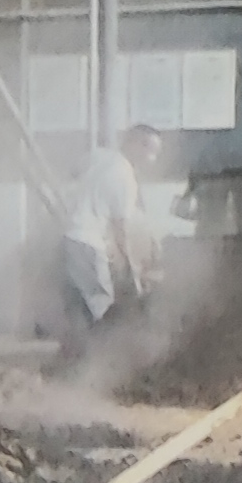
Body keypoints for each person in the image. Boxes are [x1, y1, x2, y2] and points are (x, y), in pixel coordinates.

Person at [63, 124, 167, 340]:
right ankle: (104, 357)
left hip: (66, 239)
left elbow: (73, 172)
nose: (152, 159)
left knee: (79, 309)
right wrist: (130, 267)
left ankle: (77, 354)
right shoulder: (125, 178)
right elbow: (120, 228)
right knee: (102, 306)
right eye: (150, 150)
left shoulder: (98, 156)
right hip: (87, 244)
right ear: (135, 144)